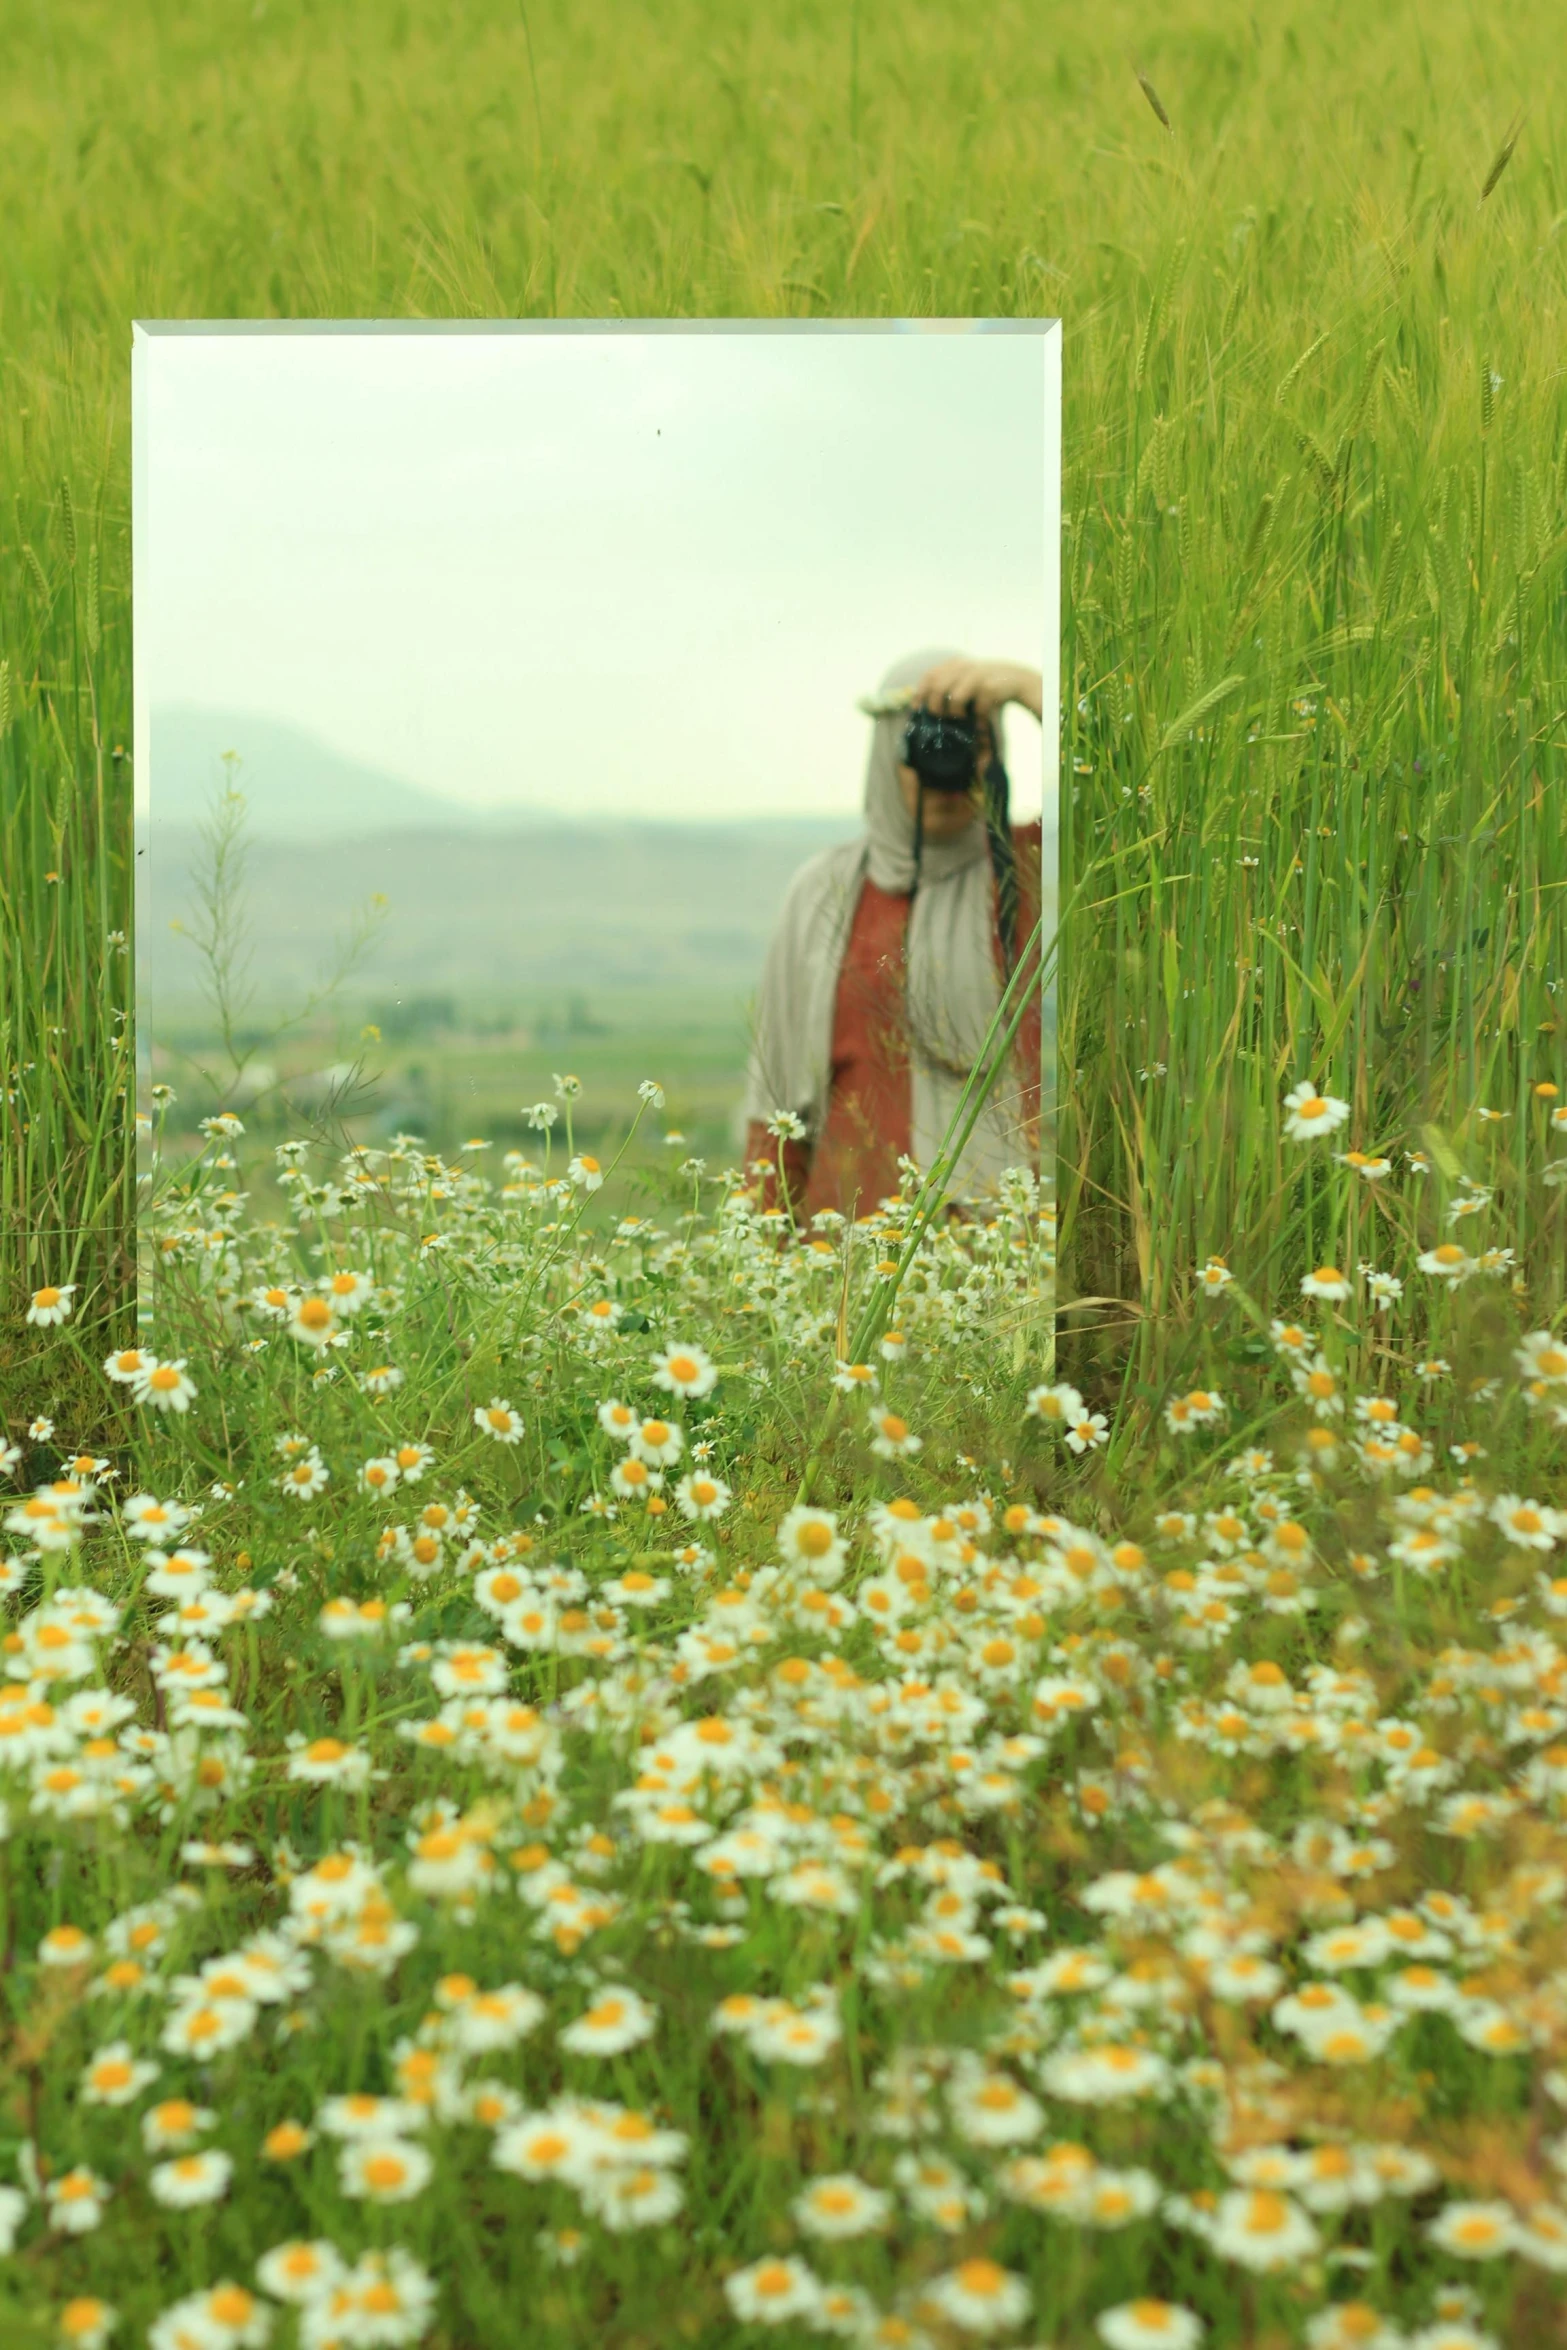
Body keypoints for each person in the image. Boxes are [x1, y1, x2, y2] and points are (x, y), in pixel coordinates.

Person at [741, 645, 1046, 1223]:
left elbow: (1121, 789)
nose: (945, 768)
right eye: (923, 742)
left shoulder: (1035, 871)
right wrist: (760, 1274)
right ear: (886, 751)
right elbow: (775, 1109)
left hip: (1001, 1264)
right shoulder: (824, 891)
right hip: (844, 1263)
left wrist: (1026, 686)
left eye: (970, 742)